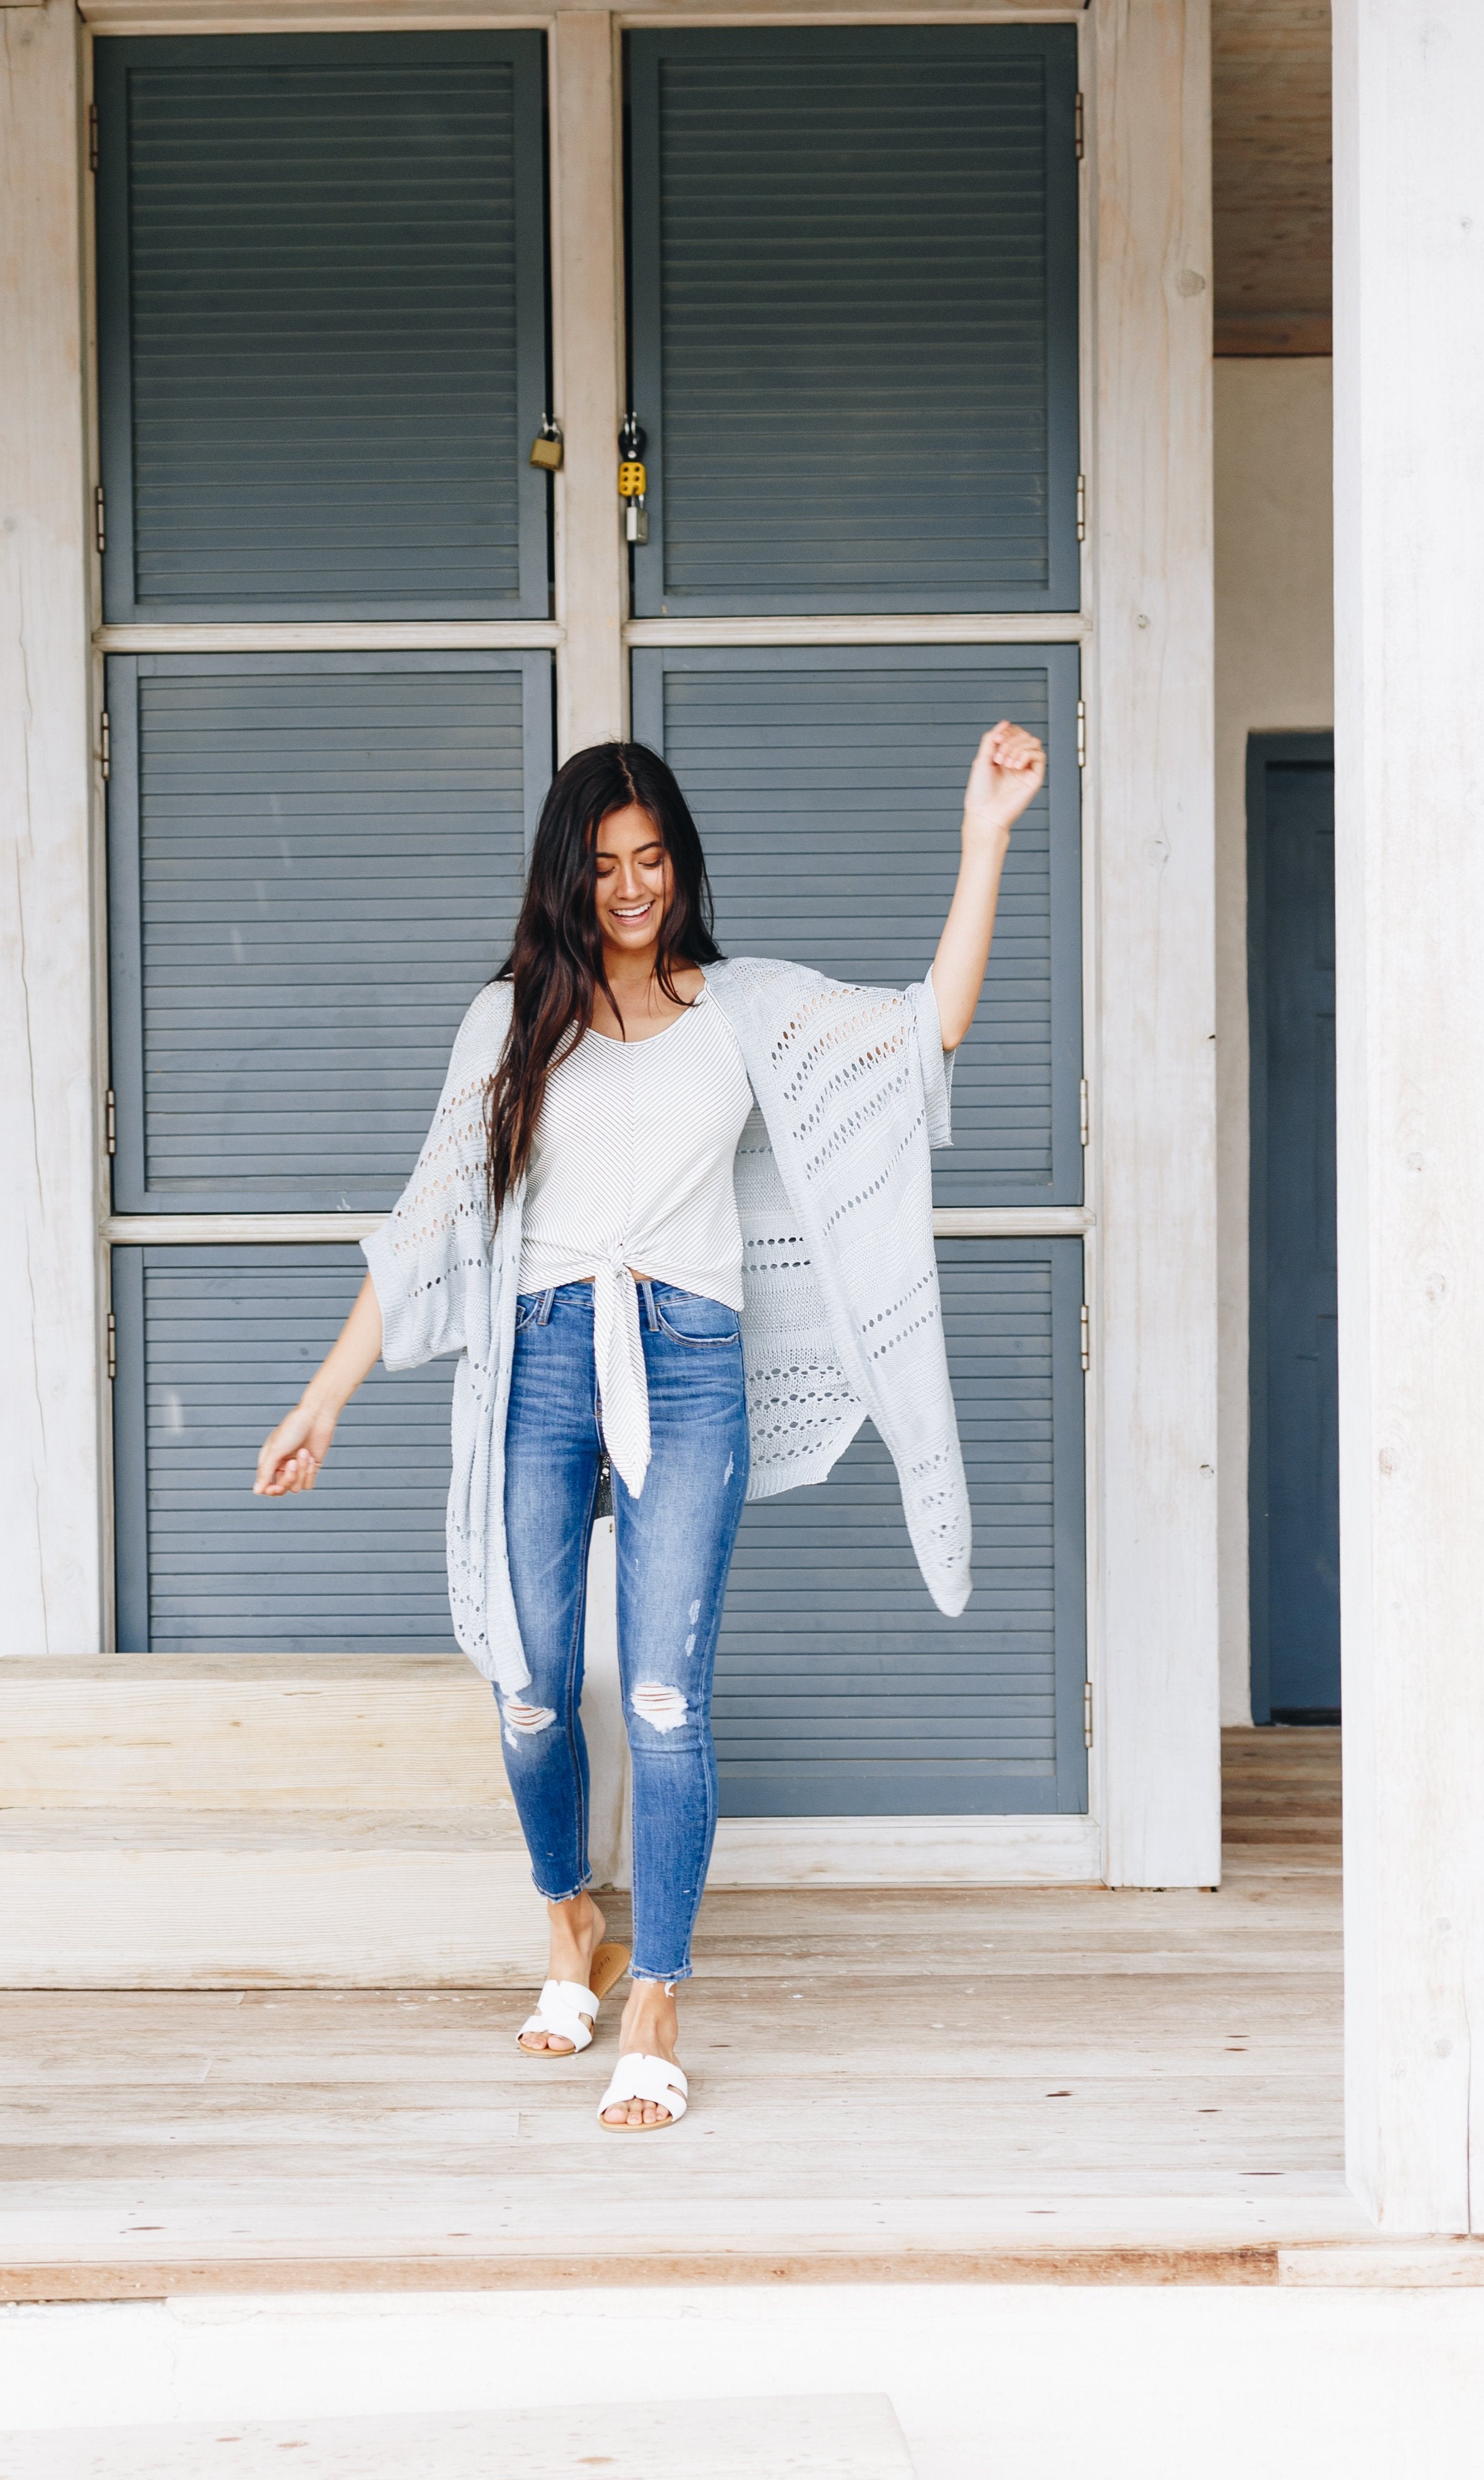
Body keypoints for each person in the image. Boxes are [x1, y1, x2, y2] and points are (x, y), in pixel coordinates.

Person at [254, 724, 1047, 2132]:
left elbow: (928, 1025)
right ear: (568, 876)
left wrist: (985, 835)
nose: (631, 889)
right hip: (541, 1362)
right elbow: (424, 1227)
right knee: (532, 1683)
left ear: (680, 865)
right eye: (606, 865)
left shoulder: (747, 1012)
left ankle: (659, 1995)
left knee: (670, 1700)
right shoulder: (509, 1024)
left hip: (685, 1364)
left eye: (652, 859)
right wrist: (322, 1399)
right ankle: (570, 1918)